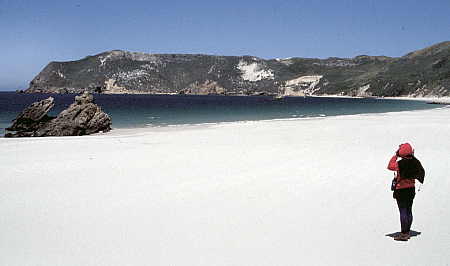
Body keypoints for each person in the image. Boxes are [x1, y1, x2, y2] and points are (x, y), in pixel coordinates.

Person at [387, 143, 425, 241]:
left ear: (401, 152)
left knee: (403, 210)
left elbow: (389, 166)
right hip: (411, 189)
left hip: (401, 190)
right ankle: (407, 231)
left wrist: (396, 155)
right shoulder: (415, 162)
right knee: (409, 210)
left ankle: (404, 234)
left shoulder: (400, 164)